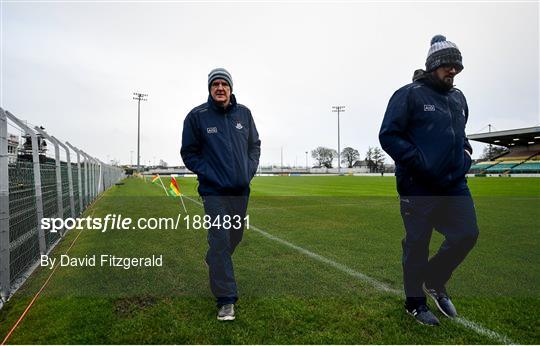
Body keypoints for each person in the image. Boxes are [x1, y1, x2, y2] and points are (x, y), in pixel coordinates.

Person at [379, 35, 479, 326]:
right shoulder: (409, 94)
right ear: (434, 64)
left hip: (454, 185)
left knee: (467, 234)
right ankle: (414, 303)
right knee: (417, 245)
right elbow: (389, 135)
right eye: (449, 65)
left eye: (457, 67)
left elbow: (461, 135)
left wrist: (466, 155)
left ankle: (434, 280)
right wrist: (419, 162)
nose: (454, 71)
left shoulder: (458, 98)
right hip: (418, 186)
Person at [181, 68, 261, 321]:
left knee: (233, 238)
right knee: (220, 240)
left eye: (223, 84)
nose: (219, 88)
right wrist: (210, 173)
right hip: (213, 191)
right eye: (215, 84)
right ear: (209, 88)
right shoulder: (197, 117)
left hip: (240, 190)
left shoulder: (244, 114)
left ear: (231, 88)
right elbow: (189, 153)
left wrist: (247, 171)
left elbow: (254, 145)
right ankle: (226, 300)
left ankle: (212, 259)